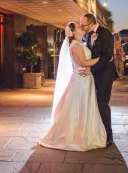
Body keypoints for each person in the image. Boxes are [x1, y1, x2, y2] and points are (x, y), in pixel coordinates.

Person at [39, 22, 107, 151]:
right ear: (74, 32)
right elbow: (83, 62)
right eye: (78, 27)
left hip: (85, 78)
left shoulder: (80, 43)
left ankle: (86, 133)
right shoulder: (75, 45)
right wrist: (102, 59)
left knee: (84, 106)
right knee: (79, 107)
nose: (81, 27)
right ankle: (76, 137)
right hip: (81, 79)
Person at [79, 13, 118, 146]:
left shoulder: (106, 34)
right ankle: (97, 132)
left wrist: (91, 70)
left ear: (91, 24)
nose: (81, 27)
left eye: (83, 25)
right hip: (93, 74)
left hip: (105, 74)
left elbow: (107, 57)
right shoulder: (87, 35)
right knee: (93, 103)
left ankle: (108, 136)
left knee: (102, 103)